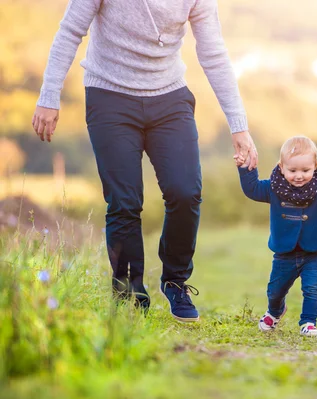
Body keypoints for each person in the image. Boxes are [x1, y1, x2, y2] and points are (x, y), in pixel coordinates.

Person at [32, 0, 258, 322]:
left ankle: (175, 281)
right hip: (109, 95)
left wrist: (239, 125)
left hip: (169, 96)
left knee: (185, 192)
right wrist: (49, 95)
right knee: (124, 202)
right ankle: (129, 294)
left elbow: (213, 53)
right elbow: (70, 31)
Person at [237, 136, 317, 336]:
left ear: (315, 166)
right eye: (292, 170)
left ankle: (308, 323)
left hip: (314, 252)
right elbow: (253, 189)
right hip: (285, 253)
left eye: (305, 170)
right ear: (281, 167)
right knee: (275, 291)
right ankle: (275, 312)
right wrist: (246, 167)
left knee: (312, 289)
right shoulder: (274, 187)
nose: (298, 176)